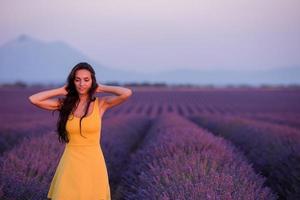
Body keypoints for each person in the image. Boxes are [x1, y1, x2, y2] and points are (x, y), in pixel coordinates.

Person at [28, 62, 132, 200]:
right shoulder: (64, 104)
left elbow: (127, 93)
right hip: (70, 163)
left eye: (86, 80)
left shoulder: (100, 104)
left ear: (92, 81)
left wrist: (100, 87)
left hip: (93, 163)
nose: (81, 84)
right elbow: (34, 99)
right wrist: (60, 90)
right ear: (72, 82)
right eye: (77, 80)